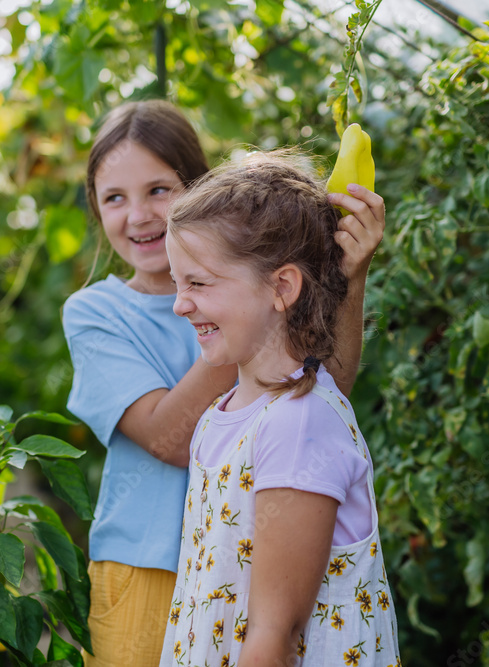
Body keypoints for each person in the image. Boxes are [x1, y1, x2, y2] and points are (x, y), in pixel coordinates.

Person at [61, 100, 385, 667]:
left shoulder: (248, 308)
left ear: (195, 189)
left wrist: (344, 281)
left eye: (159, 190)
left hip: (258, 563)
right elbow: (168, 440)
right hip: (149, 567)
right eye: (114, 198)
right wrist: (256, 312)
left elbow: (316, 385)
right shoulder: (97, 311)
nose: (139, 215)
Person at [158, 151, 400, 667]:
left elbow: (275, 634)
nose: (180, 304)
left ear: (282, 287)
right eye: (177, 284)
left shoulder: (297, 423)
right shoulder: (225, 411)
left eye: (198, 283)